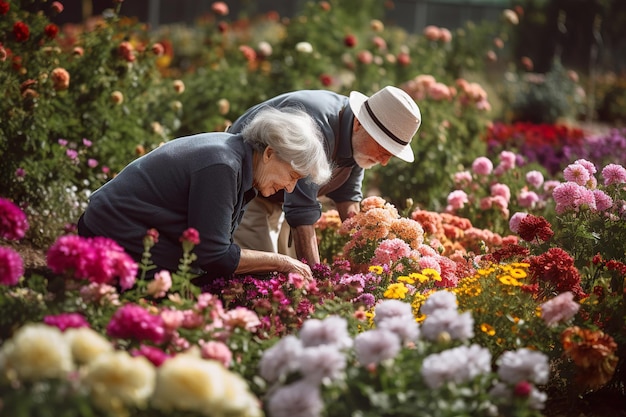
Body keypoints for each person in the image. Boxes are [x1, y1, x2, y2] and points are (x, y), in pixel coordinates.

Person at [77, 107, 332, 283]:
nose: (289, 189)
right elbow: (215, 255)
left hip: (128, 233)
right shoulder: (223, 166)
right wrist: (281, 262)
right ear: (269, 153)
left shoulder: (238, 160)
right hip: (112, 236)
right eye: (292, 177)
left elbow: (212, 249)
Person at [228, 85, 422, 266]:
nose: (385, 161)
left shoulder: (358, 140)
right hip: (247, 190)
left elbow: (347, 197)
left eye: (391, 154)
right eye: (383, 147)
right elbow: (301, 211)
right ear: (358, 124)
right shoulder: (315, 128)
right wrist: (318, 281)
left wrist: (366, 260)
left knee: (285, 279)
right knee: (261, 279)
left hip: (280, 196)